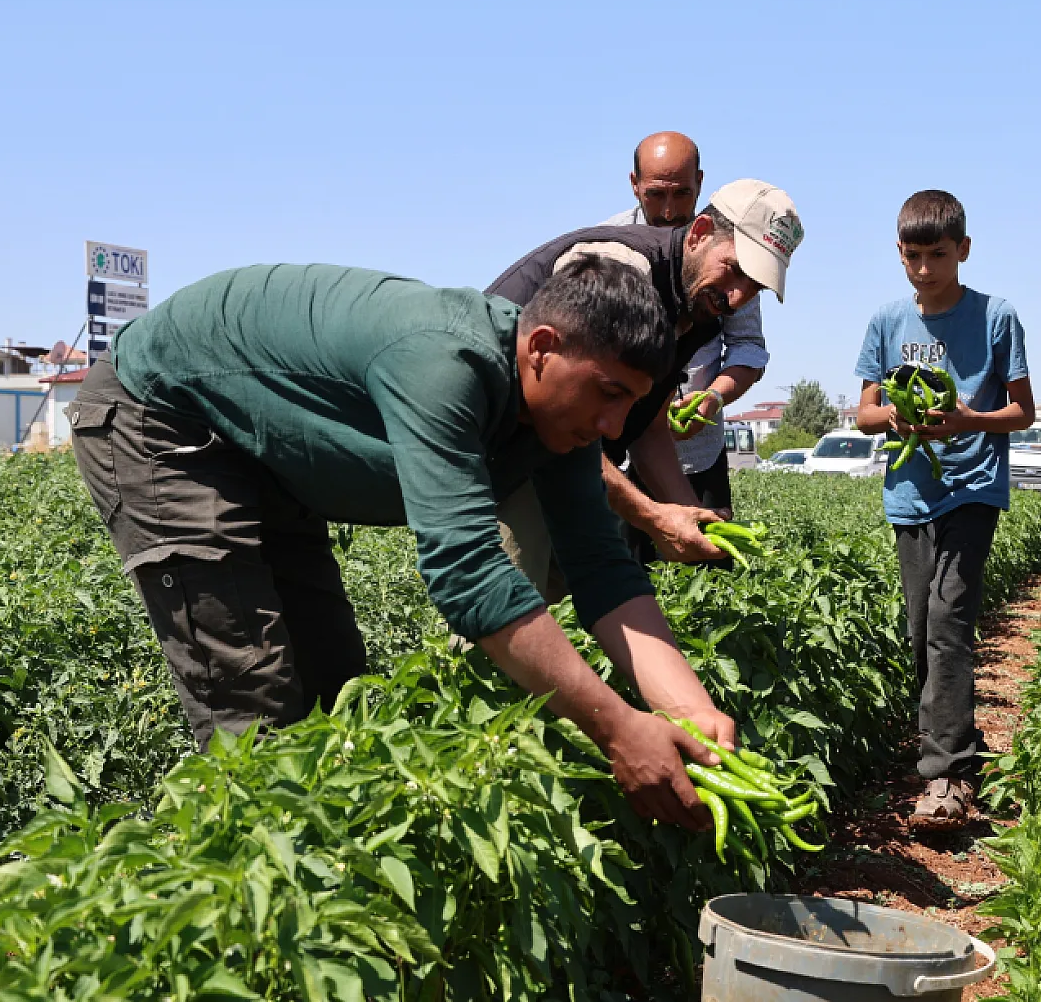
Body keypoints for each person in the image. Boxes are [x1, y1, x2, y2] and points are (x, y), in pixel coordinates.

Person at [68, 257, 734, 830]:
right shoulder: (445, 362)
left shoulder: (561, 420)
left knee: (335, 696)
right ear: (542, 347)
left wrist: (693, 712)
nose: (614, 424)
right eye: (609, 393)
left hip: (269, 459)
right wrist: (618, 728)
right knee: (255, 714)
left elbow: (603, 572)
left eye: (632, 403)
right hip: (165, 420)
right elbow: (468, 573)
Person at [489, 178, 802, 581]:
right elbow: (567, 416)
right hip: (511, 451)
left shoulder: (697, 306)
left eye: (754, 287)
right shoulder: (622, 272)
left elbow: (649, 426)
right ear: (701, 234)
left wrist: (693, 517)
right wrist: (654, 517)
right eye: (735, 270)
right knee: (510, 608)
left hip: (564, 458)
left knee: (585, 599)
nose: (738, 298)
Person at [854, 190, 1035, 826]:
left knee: (948, 622)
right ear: (899, 256)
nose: (925, 268)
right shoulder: (885, 321)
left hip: (972, 488)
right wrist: (897, 417)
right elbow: (866, 411)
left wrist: (966, 420)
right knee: (919, 633)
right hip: (910, 494)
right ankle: (964, 746)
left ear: (963, 250)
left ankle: (945, 776)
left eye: (938, 254)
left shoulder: (995, 317)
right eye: (913, 256)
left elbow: (1022, 411)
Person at [600, 134, 769, 520]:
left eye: (682, 193)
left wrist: (711, 399)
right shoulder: (612, 247)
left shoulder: (727, 252)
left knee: (705, 562)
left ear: (700, 183)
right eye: (656, 194)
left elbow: (748, 347)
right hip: (618, 450)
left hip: (698, 453)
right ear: (634, 184)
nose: (669, 210)